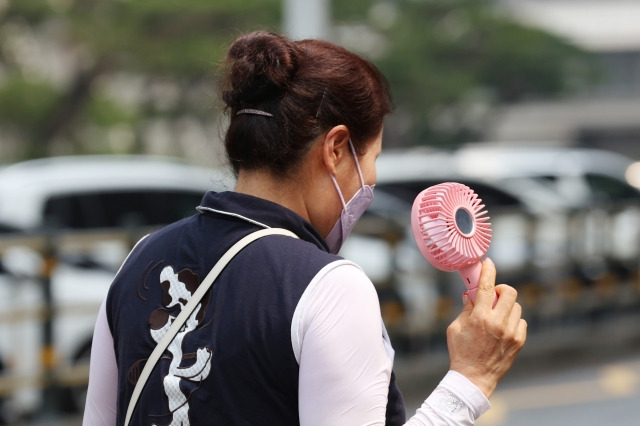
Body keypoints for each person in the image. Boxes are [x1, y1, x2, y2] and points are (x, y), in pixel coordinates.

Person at [83, 30, 526, 426]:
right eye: (371, 160)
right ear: (335, 148)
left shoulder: (140, 258)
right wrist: (470, 380)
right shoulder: (328, 287)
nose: (369, 183)